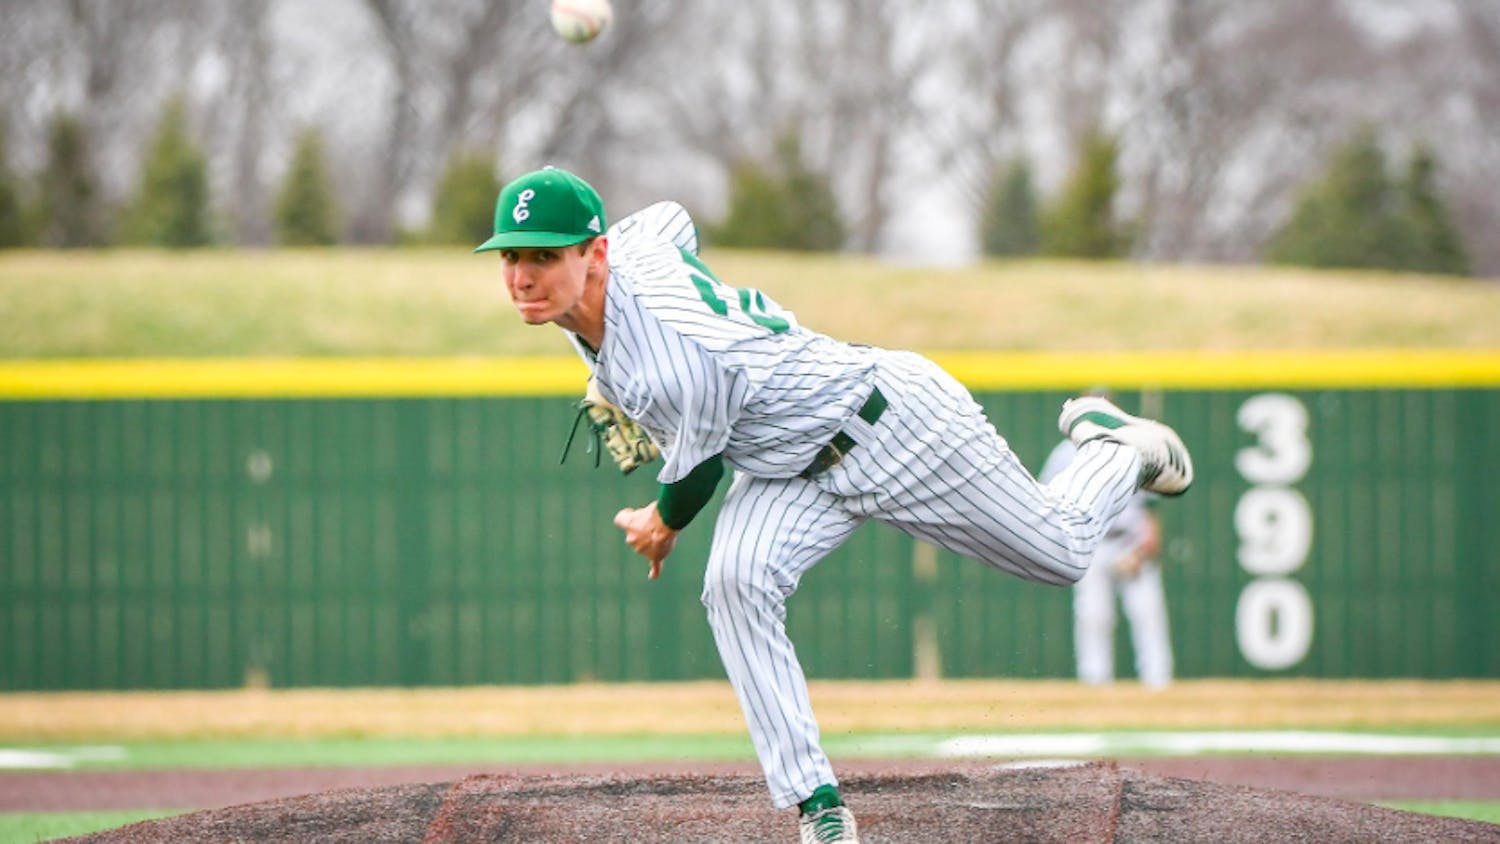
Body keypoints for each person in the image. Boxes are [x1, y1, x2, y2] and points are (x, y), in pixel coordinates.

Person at [475, 166, 1194, 843]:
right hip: (787, 466)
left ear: (594, 252)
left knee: (1064, 553)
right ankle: (816, 805)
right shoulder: (628, 251)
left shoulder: (675, 358)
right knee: (735, 582)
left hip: (890, 424)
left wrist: (657, 526)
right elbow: (672, 219)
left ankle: (1115, 449)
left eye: (544, 254)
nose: (522, 275)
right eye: (510, 256)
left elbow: (690, 485)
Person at [1040, 422, 1174, 689]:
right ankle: (1095, 681)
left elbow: (1152, 501)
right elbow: (1045, 495)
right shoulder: (1065, 453)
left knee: (1146, 613)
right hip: (1092, 542)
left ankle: (1158, 683)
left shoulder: (1132, 447)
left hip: (1129, 541)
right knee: (1093, 615)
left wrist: (1147, 541)